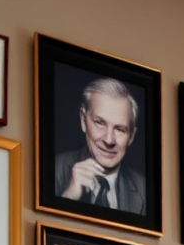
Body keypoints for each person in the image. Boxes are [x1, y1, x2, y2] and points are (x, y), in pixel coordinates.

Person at [54, 77, 146, 215]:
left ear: (131, 136)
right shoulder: (54, 168)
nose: (109, 140)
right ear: (83, 120)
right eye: (100, 123)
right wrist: (68, 198)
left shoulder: (144, 190)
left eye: (119, 129)